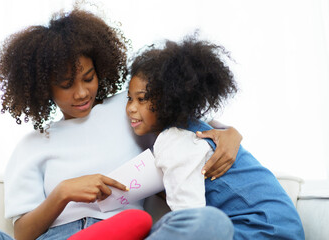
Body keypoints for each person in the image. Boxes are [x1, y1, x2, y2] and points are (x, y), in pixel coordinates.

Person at [0, 7, 241, 240]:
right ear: (43, 89)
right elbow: (23, 234)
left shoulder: (130, 107)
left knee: (212, 222)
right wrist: (63, 193)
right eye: (66, 85)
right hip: (60, 234)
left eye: (88, 78)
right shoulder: (32, 146)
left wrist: (231, 134)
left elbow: (193, 122)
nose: (81, 93)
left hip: (130, 231)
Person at [125, 36, 305, 239]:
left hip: (260, 231)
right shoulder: (199, 129)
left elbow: (188, 217)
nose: (131, 108)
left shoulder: (175, 139)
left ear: (169, 99)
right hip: (284, 229)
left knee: (164, 225)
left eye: (141, 99)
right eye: (129, 98)